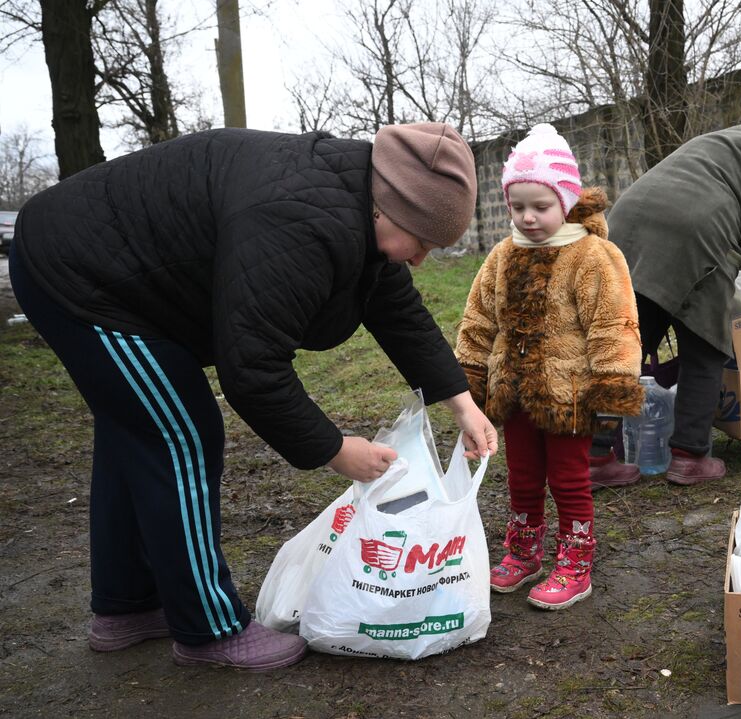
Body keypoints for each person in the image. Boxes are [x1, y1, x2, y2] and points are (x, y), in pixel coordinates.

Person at [9, 123, 497, 671]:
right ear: (390, 208)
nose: (422, 259)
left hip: (104, 266)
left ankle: (127, 607)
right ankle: (208, 630)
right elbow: (254, 369)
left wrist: (462, 403)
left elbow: (397, 311)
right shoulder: (302, 219)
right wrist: (335, 449)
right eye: (424, 242)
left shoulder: (356, 201)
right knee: (182, 434)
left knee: (139, 428)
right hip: (83, 275)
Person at [456, 124, 642, 610]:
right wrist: (472, 380)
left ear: (565, 199)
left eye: (540, 206)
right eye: (518, 207)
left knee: (568, 477)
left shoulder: (592, 255)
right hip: (514, 390)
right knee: (520, 474)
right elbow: (478, 319)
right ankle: (523, 552)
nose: (528, 217)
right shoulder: (502, 255)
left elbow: (613, 323)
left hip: (569, 394)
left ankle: (575, 560)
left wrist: (611, 387)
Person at [589, 95, 741, 488]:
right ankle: (690, 456)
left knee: (624, 346)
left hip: (625, 226)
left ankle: (593, 456)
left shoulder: (719, 140)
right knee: (707, 346)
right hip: (694, 238)